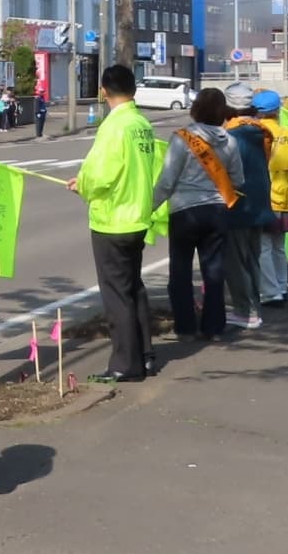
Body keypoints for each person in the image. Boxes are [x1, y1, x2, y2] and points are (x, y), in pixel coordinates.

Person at [68, 66, 160, 382]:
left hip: (113, 218)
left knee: (116, 294)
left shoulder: (114, 126)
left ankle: (124, 364)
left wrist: (82, 184)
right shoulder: (141, 124)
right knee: (134, 287)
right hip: (137, 215)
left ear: (103, 91)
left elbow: (100, 174)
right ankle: (145, 355)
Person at [154, 87, 244, 342]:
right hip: (217, 211)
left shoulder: (182, 138)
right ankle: (213, 328)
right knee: (214, 271)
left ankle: (186, 328)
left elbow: (167, 181)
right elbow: (238, 180)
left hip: (184, 211)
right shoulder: (230, 141)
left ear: (195, 110)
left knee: (180, 271)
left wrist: (148, 207)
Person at [220, 84, 273, 330]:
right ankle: (254, 307)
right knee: (252, 258)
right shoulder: (261, 131)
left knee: (235, 261)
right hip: (260, 201)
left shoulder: (230, 136)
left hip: (238, 203)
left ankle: (245, 311)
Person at [248, 89, 288, 306]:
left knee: (263, 248)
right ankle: (281, 287)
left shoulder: (257, 133)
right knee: (279, 247)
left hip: (266, 197)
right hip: (287, 197)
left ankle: (271, 292)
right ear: (277, 111)